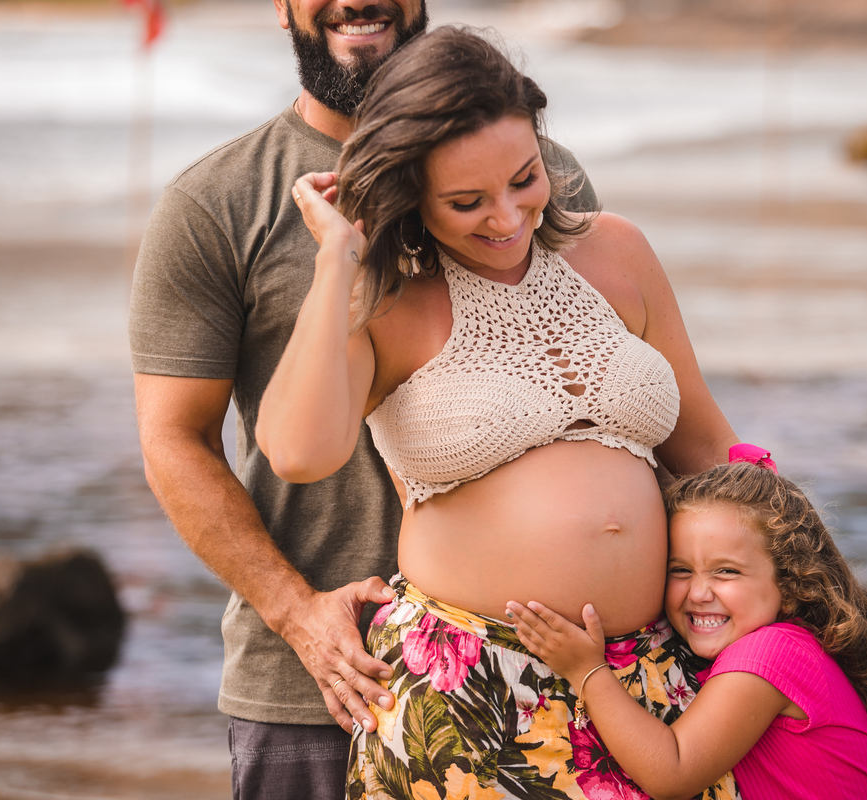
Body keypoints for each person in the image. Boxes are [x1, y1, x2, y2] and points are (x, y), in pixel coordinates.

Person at [256, 25, 744, 800]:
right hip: (466, 700)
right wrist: (336, 257)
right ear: (410, 193)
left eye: (524, 179)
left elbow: (709, 449)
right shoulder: (385, 305)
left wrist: (811, 601)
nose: (507, 217)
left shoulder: (618, 253)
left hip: (653, 683)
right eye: (466, 201)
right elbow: (297, 452)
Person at [128, 2, 597, 798]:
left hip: (536, 677)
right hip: (326, 686)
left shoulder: (527, 176)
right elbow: (174, 441)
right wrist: (298, 615)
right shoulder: (215, 203)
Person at [507, 462, 867, 800]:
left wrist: (586, 670)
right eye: (680, 570)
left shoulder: (770, 655)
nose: (699, 592)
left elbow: (672, 772)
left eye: (727, 571)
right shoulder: (795, 646)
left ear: (790, 585)